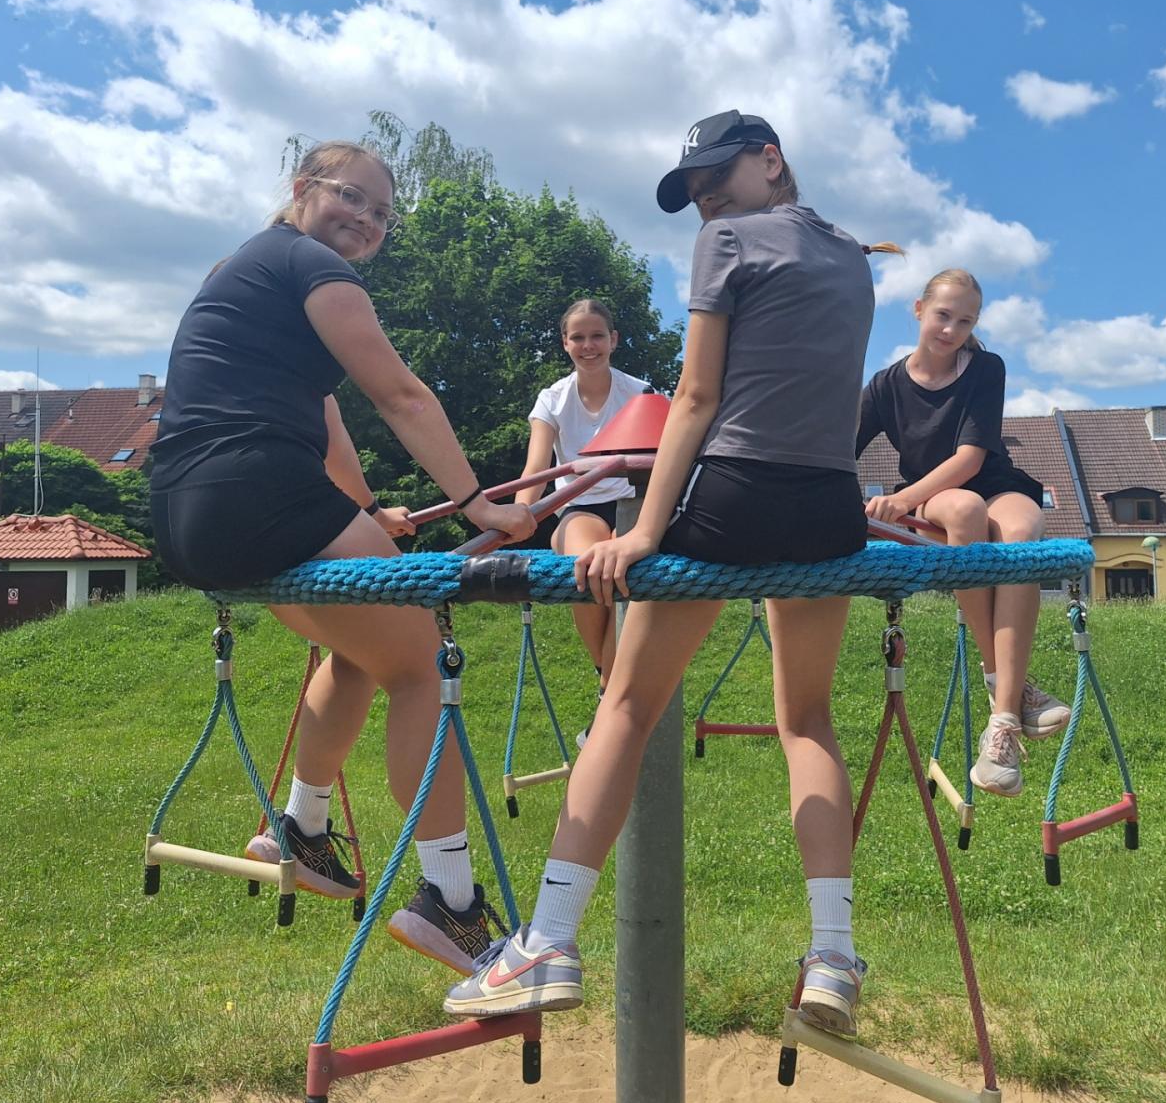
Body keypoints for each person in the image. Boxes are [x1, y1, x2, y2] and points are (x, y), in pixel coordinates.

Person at [445, 110, 895, 1038]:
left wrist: (647, 528)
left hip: (736, 494)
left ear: (771, 159)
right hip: (828, 504)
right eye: (694, 190)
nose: (704, 200)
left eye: (717, 177)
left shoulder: (727, 243)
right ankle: (833, 956)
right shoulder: (852, 258)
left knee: (627, 705)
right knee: (807, 720)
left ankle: (546, 943)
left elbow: (696, 396)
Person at [149, 140, 536, 973]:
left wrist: (363, 513)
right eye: (350, 197)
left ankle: (304, 827)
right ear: (302, 189)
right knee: (422, 667)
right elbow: (400, 395)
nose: (366, 219)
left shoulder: (252, 272)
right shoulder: (311, 266)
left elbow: (324, 424)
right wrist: (478, 502)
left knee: (361, 653)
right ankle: (452, 906)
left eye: (382, 213)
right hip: (258, 493)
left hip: (189, 513)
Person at [856, 268, 1070, 798]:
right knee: (966, 509)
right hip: (937, 497)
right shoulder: (885, 386)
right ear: (918, 310)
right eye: (943, 315)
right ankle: (1008, 690)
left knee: (1024, 531)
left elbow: (972, 458)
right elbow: (838, 449)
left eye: (965, 321)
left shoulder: (985, 368)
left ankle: (1001, 722)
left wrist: (900, 499)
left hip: (991, 480)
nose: (951, 330)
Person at [515, 300, 650, 744]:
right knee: (588, 569)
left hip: (633, 501)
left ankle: (608, 693)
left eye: (597, 336)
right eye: (578, 337)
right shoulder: (553, 399)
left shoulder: (639, 393)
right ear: (565, 343)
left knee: (628, 578)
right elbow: (537, 468)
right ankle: (607, 677)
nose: (588, 345)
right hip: (581, 504)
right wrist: (519, 515)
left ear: (613, 340)